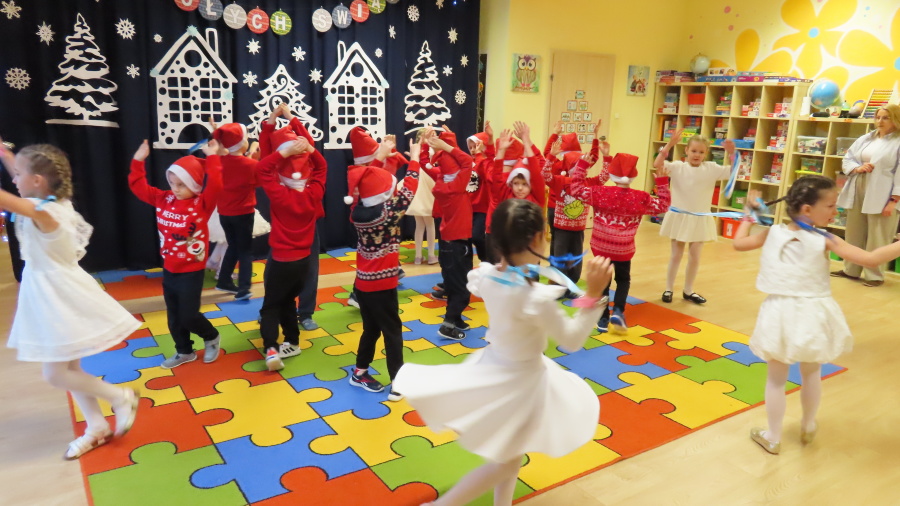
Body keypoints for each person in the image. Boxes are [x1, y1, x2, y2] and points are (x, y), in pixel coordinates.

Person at [393, 199, 613, 506]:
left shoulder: (487, 275)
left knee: (511, 452)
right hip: (518, 383)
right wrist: (594, 295)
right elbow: (572, 340)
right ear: (539, 238)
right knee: (507, 462)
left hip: (497, 365)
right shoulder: (534, 298)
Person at [734, 177, 900, 454]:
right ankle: (808, 424)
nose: (836, 211)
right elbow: (871, 259)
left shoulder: (771, 233)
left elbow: (738, 244)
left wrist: (748, 216)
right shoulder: (826, 240)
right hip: (812, 314)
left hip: (778, 314)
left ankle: (772, 436)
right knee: (811, 373)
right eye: (831, 206)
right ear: (807, 209)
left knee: (776, 379)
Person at [3, 144, 140, 459]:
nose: (14, 179)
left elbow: (8, 198)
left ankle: (121, 397)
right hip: (50, 292)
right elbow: (18, 181)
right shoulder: (47, 202)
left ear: (37, 180)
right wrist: (5, 154)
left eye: (19, 174)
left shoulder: (45, 212)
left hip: (58, 295)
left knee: (55, 373)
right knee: (70, 367)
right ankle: (96, 426)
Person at [129, 140, 223, 369]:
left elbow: (217, 184)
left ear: (195, 185)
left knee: (188, 315)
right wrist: (138, 160)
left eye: (182, 184)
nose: (175, 188)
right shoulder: (164, 198)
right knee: (174, 317)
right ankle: (184, 351)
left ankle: (211, 336)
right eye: (172, 182)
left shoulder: (202, 203)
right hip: (170, 268)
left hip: (191, 270)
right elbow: (138, 187)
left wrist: (212, 156)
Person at [345, 136, 420, 401]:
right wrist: (415, 157)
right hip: (383, 285)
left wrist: (379, 159)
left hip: (363, 284)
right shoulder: (388, 214)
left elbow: (363, 184)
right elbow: (410, 187)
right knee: (392, 332)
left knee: (372, 329)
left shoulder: (358, 213)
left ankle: (359, 371)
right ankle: (398, 382)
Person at [571, 151, 671, 333]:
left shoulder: (599, 192)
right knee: (623, 280)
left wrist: (582, 167)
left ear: (612, 174)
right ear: (634, 176)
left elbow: (576, 190)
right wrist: (662, 183)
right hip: (623, 249)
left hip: (601, 247)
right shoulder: (641, 197)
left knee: (603, 282)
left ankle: (602, 319)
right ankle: (618, 311)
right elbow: (663, 206)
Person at [255, 135, 327, 371]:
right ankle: (293, 342)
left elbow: (262, 169)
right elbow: (322, 167)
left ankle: (271, 349)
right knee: (287, 301)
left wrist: (283, 153)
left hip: (281, 262)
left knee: (270, 307)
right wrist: (310, 149)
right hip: (304, 263)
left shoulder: (279, 194)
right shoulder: (314, 193)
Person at [261, 104, 325, 330]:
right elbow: (265, 149)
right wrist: (272, 120)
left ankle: (305, 313)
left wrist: (289, 117)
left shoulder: (307, 168)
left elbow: (308, 142)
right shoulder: (277, 169)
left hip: (308, 224)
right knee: (274, 271)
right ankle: (271, 308)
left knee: (310, 268)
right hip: (283, 228)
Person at [654, 130, 736, 304]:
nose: (697, 155)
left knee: (695, 257)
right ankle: (669, 289)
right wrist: (670, 144)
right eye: (693, 151)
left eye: (701, 152)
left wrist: (732, 154)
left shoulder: (711, 168)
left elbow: (733, 171)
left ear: (706, 153)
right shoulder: (678, 167)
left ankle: (688, 290)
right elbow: (657, 164)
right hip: (680, 216)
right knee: (676, 255)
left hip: (699, 218)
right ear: (686, 151)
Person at [831, 104, 900, 287]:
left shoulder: (898, 141)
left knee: (878, 235)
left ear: (895, 119)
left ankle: (874, 276)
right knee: (854, 231)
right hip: (859, 186)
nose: (880, 121)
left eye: (885, 118)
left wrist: (893, 201)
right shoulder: (866, 138)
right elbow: (848, 158)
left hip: (884, 193)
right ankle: (850, 270)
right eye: (878, 117)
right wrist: (857, 168)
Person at [421, 127, 475, 340]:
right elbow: (467, 162)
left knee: (453, 284)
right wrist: (445, 146)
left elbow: (425, 164)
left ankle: (457, 319)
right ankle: (448, 324)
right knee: (462, 287)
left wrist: (425, 145)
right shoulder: (458, 184)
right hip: (458, 244)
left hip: (447, 242)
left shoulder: (441, 179)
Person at [541, 136, 610, 294]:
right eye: (579, 165)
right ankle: (560, 287)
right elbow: (545, 175)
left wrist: (606, 157)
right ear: (570, 168)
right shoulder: (561, 181)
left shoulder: (588, 183)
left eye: (584, 166)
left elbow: (604, 177)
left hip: (578, 230)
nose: (583, 169)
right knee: (560, 260)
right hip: (561, 230)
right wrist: (551, 156)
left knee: (576, 261)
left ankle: (571, 284)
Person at [210, 122, 260, 301]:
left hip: (224, 214)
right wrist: (253, 155)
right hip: (243, 213)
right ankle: (244, 288)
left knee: (233, 246)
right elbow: (259, 180)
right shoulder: (250, 164)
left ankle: (224, 280)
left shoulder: (219, 161)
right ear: (242, 144)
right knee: (245, 251)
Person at [406, 129, 439, 265]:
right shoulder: (429, 148)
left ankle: (418, 256)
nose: (435, 136)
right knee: (429, 223)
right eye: (432, 134)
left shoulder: (417, 148)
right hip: (426, 182)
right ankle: (430, 255)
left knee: (419, 224)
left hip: (418, 180)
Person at [465, 121, 494, 263]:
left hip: (482, 208)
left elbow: (482, 171)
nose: (472, 150)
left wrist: (479, 155)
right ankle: (467, 265)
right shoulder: (469, 162)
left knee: (477, 236)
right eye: (470, 147)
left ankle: (486, 259)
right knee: (467, 238)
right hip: (468, 207)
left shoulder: (485, 162)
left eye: (475, 146)